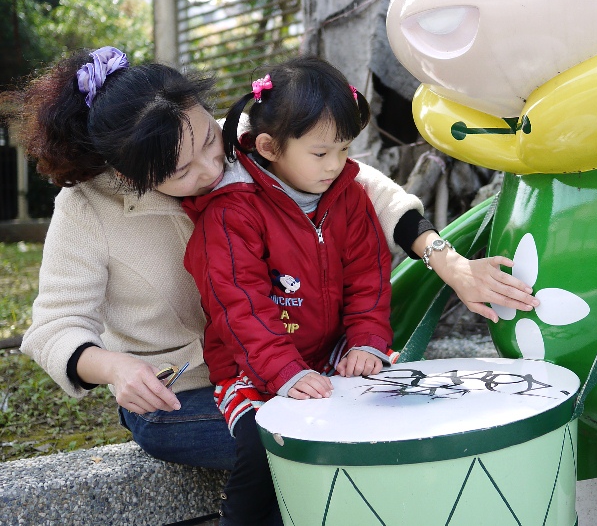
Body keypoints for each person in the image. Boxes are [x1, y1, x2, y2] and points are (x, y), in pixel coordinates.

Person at [13, 46, 538, 477]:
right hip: (190, 391)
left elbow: (361, 184)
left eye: (207, 141)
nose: (212, 167)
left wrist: (447, 262)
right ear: (128, 174)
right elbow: (54, 328)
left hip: (294, 361)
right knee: (299, 446)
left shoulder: (243, 140)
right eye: (182, 171)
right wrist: (115, 368)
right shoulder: (86, 209)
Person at [183, 56, 402, 524]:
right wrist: (284, 372)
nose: (336, 165)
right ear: (269, 147)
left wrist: (366, 341)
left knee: (390, 411)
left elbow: (369, 277)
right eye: (321, 154)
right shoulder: (233, 211)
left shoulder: (348, 197)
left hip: (330, 352)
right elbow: (238, 305)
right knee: (267, 443)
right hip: (254, 366)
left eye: (344, 149)